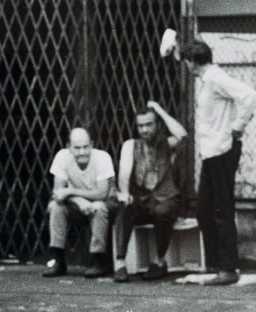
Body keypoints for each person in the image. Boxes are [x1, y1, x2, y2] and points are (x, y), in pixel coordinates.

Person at [184, 40, 256, 285]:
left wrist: (238, 127)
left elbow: (249, 96)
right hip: (211, 152)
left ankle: (228, 268)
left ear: (191, 62)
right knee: (204, 209)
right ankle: (216, 263)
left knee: (222, 209)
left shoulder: (216, 78)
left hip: (222, 150)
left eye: (186, 62)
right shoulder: (207, 79)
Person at [113, 101, 188, 282]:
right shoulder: (131, 145)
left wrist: (159, 110)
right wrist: (124, 193)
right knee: (124, 206)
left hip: (166, 199)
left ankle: (159, 261)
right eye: (141, 126)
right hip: (143, 201)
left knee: (162, 211)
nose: (145, 130)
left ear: (157, 124)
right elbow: (124, 172)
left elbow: (183, 135)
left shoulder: (167, 143)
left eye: (149, 124)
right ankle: (120, 263)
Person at [43, 128, 116, 278]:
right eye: (77, 148)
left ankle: (97, 261)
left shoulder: (102, 158)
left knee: (98, 207)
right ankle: (58, 260)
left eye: (85, 147)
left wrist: (70, 192)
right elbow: (58, 193)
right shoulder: (62, 156)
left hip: (104, 203)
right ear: (69, 147)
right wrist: (80, 201)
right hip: (77, 206)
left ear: (92, 145)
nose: (82, 152)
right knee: (56, 206)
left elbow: (101, 193)